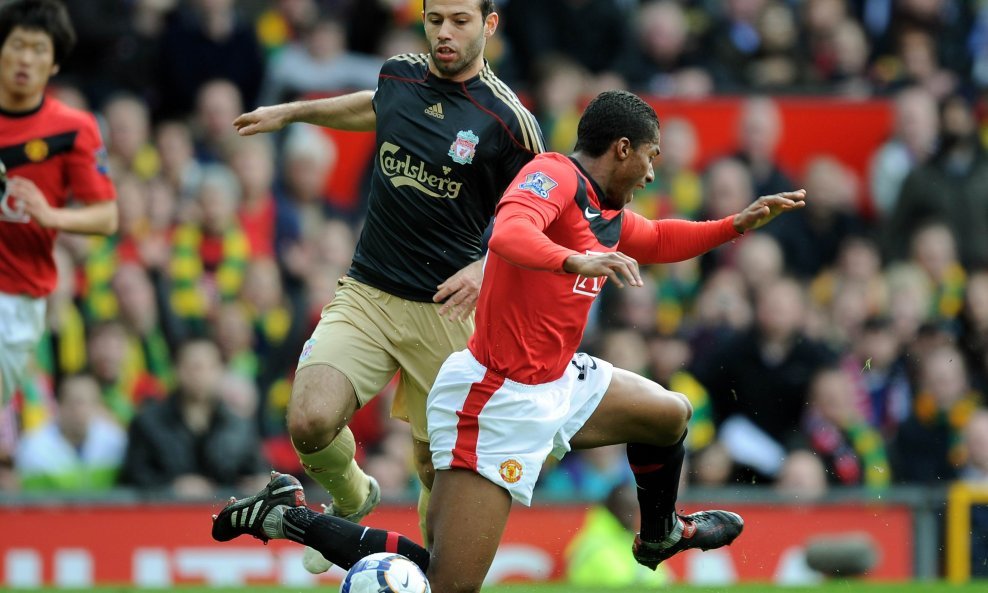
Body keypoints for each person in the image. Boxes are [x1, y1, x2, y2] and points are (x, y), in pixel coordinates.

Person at [211, 90, 805, 592]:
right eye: (651, 157)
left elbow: (658, 238)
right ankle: (283, 517)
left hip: (557, 377)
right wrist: (574, 260)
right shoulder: (552, 173)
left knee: (670, 414)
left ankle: (660, 535)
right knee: (449, 583)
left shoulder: (604, 207)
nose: (653, 172)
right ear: (622, 149)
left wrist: (736, 225)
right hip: (496, 398)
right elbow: (510, 234)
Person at [230, 0, 544, 573]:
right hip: (369, 292)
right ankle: (353, 496)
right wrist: (295, 113)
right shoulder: (398, 72)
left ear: (489, 25)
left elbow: (546, 211)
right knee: (308, 421)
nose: (444, 33)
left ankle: (427, 579)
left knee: (437, 476)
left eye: (460, 21)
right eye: (435, 20)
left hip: (449, 314)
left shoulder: (509, 121)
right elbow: (376, 109)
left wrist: (484, 267)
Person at [0, 0, 117, 447]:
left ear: (53, 63)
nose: (25, 58)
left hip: (18, 298)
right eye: (16, 45)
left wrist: (51, 216)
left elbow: (106, 216)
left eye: (38, 49)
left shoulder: (72, 129)